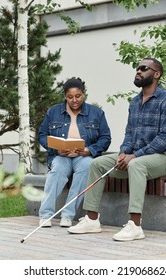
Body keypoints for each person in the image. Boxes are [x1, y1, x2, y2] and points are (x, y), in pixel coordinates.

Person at [68, 58, 166, 241]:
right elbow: (129, 133)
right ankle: (91, 219)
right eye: (137, 68)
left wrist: (134, 155)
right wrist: (123, 153)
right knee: (97, 163)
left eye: (144, 68)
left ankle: (135, 225)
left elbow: (165, 138)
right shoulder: (135, 102)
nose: (138, 71)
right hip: (136, 156)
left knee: (136, 165)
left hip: (165, 157)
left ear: (157, 74)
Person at [37, 77, 111, 228]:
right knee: (57, 171)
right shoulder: (53, 112)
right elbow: (42, 135)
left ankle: (67, 215)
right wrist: (56, 149)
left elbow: (105, 138)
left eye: (78, 96)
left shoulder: (96, 113)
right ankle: (45, 214)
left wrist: (89, 150)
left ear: (83, 94)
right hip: (61, 155)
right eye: (70, 97)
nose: (74, 100)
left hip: (83, 156)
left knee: (87, 167)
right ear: (65, 96)